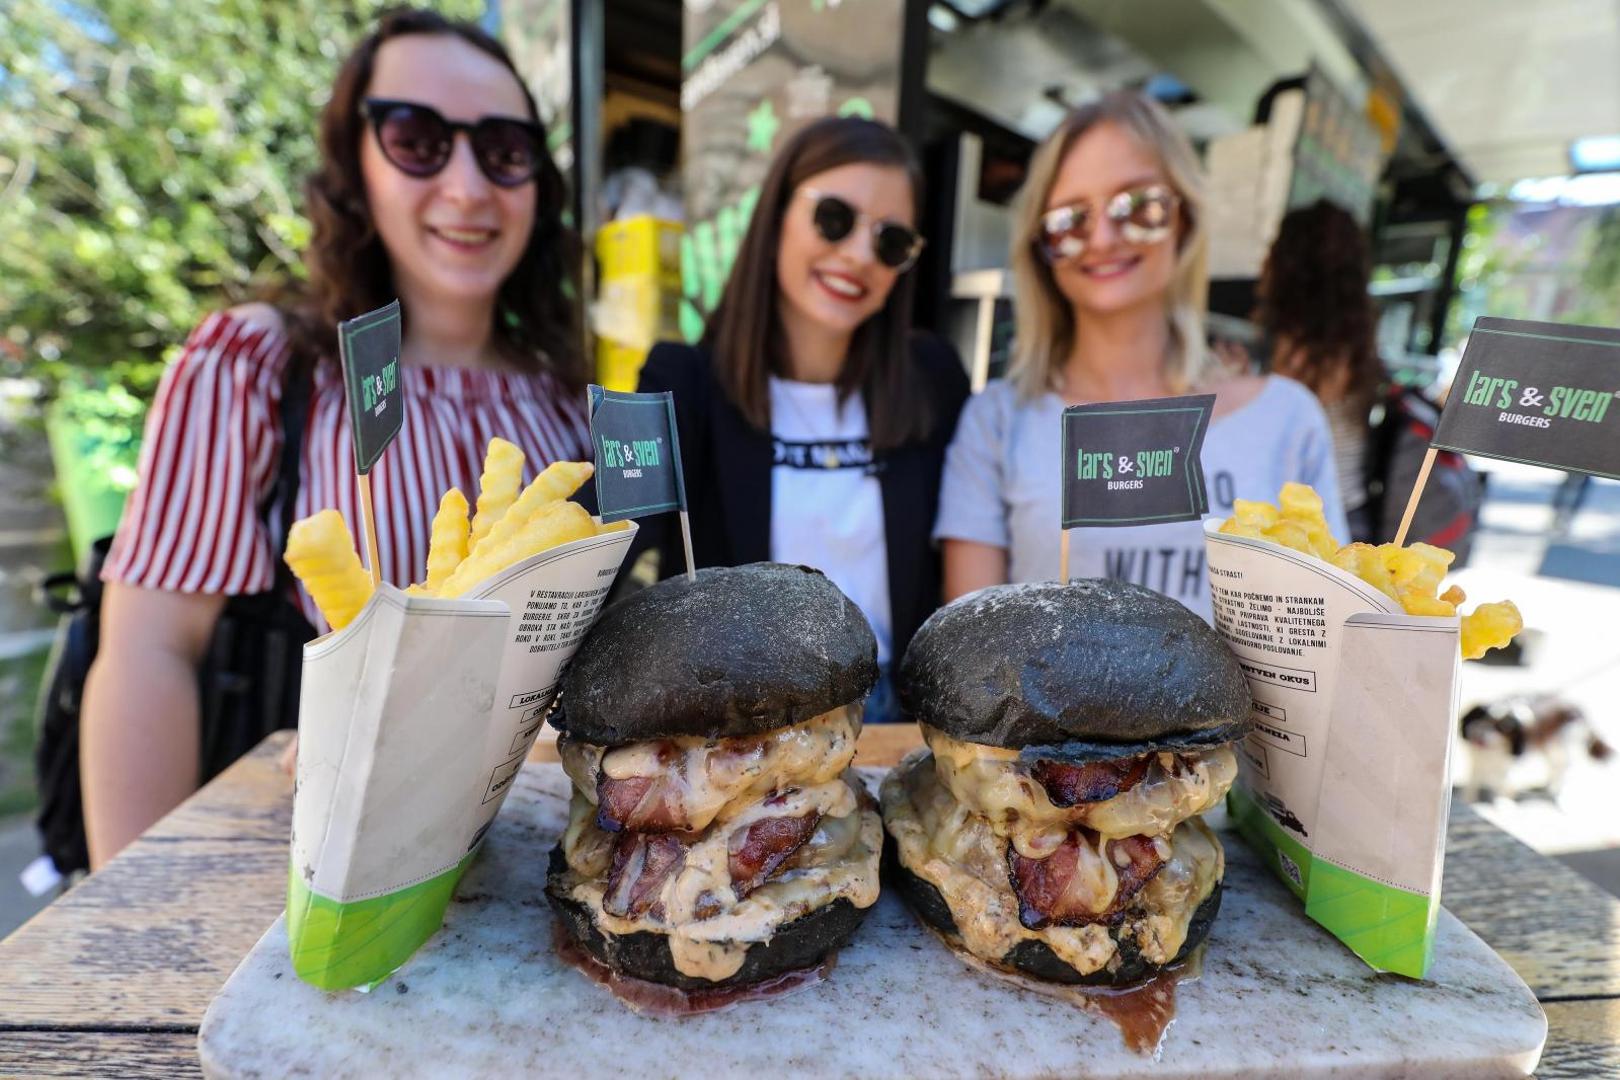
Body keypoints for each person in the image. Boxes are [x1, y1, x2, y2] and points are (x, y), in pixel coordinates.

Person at [82, 9, 590, 868]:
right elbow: (150, 651)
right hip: (302, 875)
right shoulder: (256, 363)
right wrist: (137, 908)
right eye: (418, 140)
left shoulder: (566, 400)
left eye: (505, 150)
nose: (468, 187)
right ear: (356, 166)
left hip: (527, 875)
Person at [937, 91, 1344, 619]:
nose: (1103, 237)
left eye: (1138, 207)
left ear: (1185, 219)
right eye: (1070, 219)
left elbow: (1329, 630)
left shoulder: (1284, 418)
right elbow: (971, 643)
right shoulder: (996, 422)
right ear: (1041, 245)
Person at [636, 117, 969, 722]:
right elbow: (604, 545)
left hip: (898, 715)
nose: (859, 255)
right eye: (834, 218)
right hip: (744, 717)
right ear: (777, 215)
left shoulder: (932, 377)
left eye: (891, 241)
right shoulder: (684, 382)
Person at [1257, 200, 1479, 557]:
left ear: (1290, 264)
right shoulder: (1356, 340)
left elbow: (1279, 433)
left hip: (1305, 520)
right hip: (1350, 511)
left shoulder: (1294, 350)